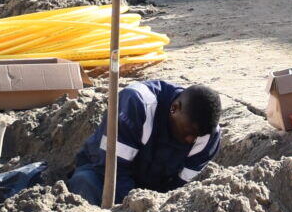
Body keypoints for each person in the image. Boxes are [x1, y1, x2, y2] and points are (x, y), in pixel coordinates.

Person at [65, 80, 221, 204]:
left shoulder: (208, 137)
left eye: (198, 136)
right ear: (174, 108)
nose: (191, 140)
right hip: (102, 174)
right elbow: (113, 170)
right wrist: (130, 209)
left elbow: (178, 190)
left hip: (153, 190)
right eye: (189, 133)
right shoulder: (137, 103)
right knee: (84, 182)